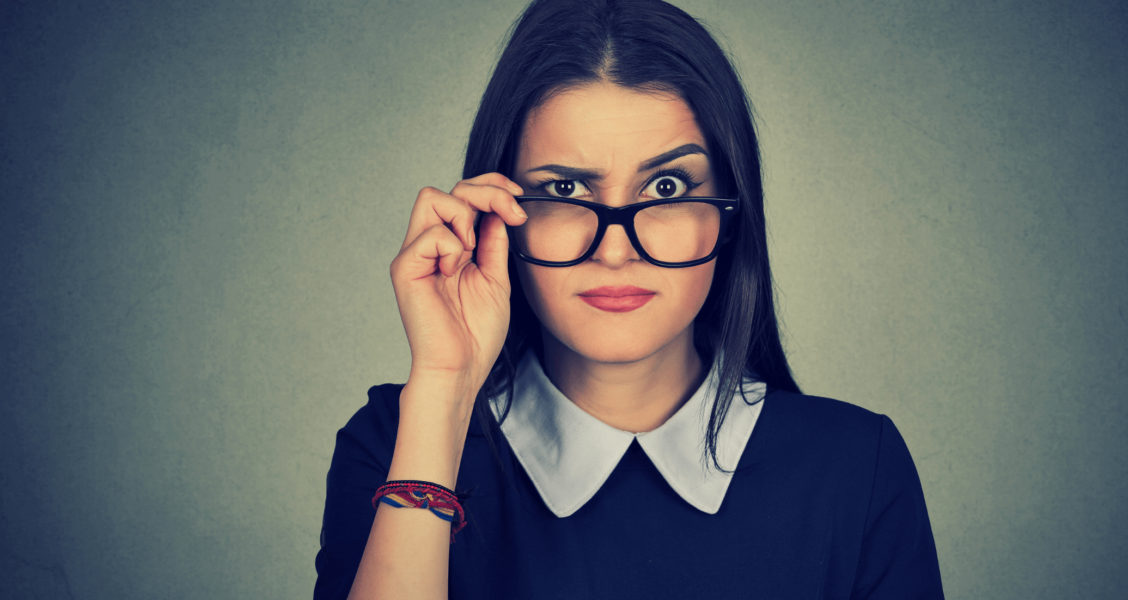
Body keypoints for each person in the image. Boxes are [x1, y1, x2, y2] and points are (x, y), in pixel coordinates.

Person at [314, 0, 943, 598]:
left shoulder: (858, 469)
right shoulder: (396, 441)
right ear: (498, 216)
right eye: (564, 188)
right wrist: (445, 389)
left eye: (666, 186)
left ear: (730, 216)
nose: (615, 251)